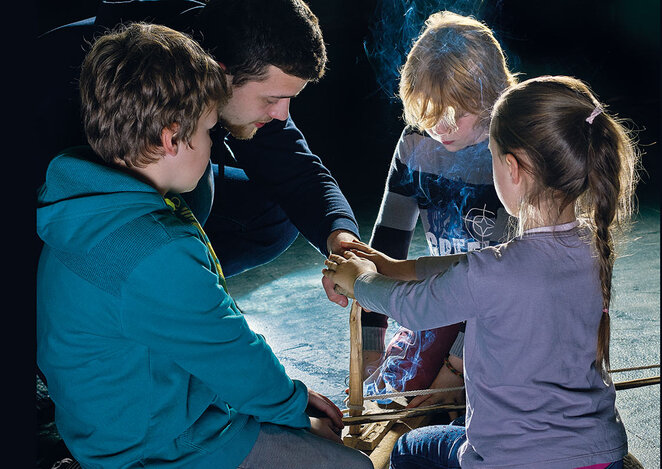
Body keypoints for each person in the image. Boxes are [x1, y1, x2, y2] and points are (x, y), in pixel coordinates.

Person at [36, 23, 372, 469]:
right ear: (171, 137)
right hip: (162, 446)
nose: (215, 144)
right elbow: (231, 350)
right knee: (353, 466)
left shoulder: (76, 208)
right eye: (210, 131)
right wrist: (293, 407)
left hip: (110, 426)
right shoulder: (157, 253)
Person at [323, 74, 637, 468]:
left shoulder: (492, 273)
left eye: (490, 156)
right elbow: (471, 268)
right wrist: (395, 265)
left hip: (510, 461)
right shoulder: (593, 248)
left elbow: (412, 307)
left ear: (512, 167)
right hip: (601, 454)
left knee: (407, 449)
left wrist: (359, 280)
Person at [35, 0, 361, 287]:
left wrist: (344, 242)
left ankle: (183, 289)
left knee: (272, 212)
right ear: (220, 75)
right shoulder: (102, 87)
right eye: (272, 99)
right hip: (45, 190)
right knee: (196, 188)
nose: (280, 116)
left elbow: (296, 170)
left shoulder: (233, 49)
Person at [351, 11, 516, 408]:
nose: (440, 129)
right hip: (445, 300)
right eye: (428, 114)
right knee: (394, 390)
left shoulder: (513, 156)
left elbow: (503, 287)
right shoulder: (415, 145)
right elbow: (385, 251)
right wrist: (371, 348)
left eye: (456, 115)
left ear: (490, 95)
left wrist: (455, 370)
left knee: (445, 404)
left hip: (503, 313)